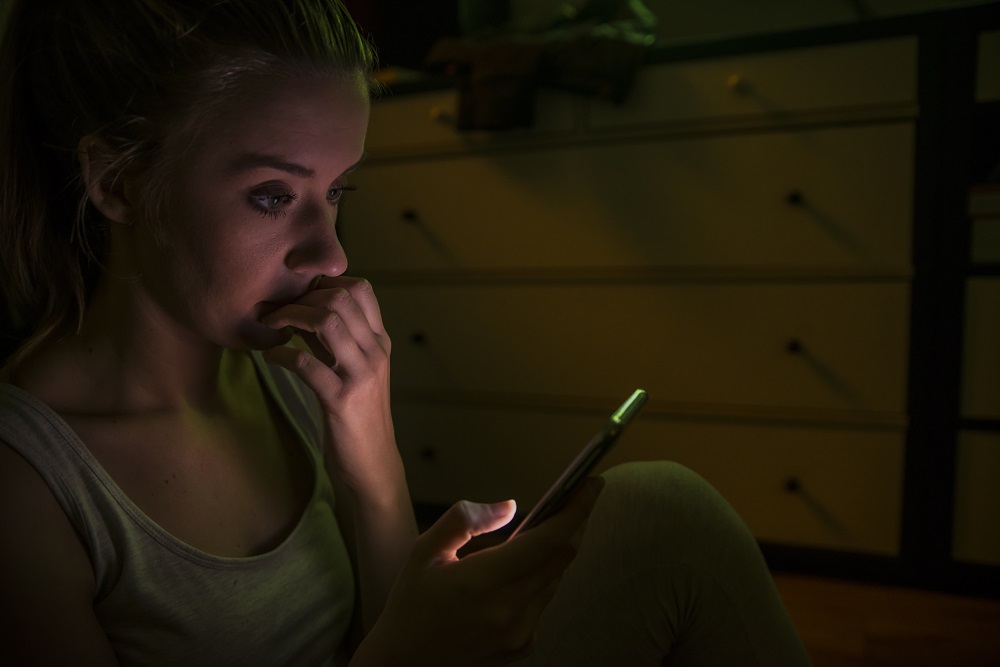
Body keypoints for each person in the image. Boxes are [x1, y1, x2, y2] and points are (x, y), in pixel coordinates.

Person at [0, 1, 812, 664]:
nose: (332, 255)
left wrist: (370, 452)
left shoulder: (285, 376)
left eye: (338, 191)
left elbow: (389, 617)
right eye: (273, 196)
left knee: (664, 509)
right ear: (117, 181)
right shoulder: (29, 484)